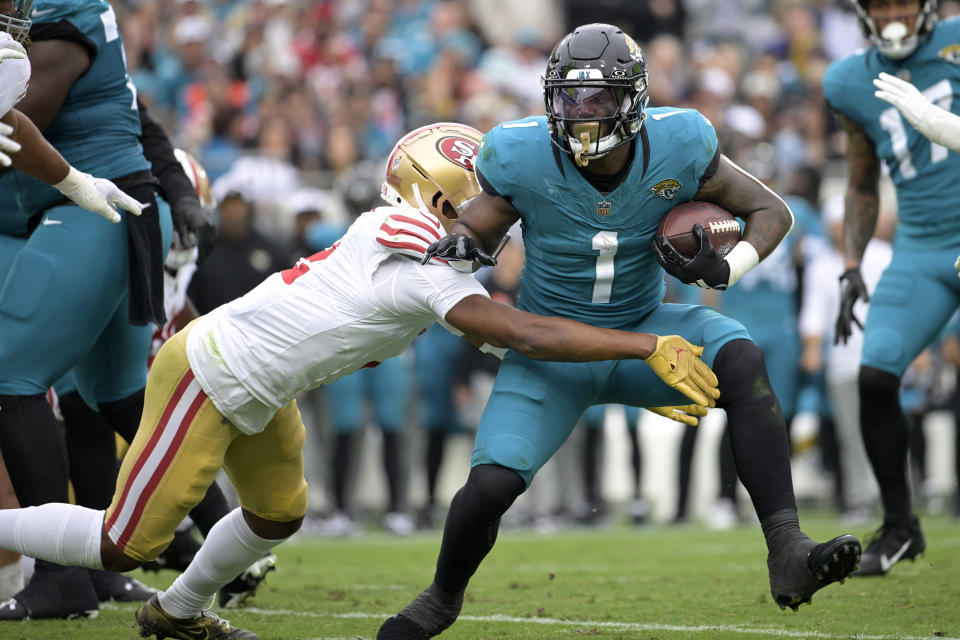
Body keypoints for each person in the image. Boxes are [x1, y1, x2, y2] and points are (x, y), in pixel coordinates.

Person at [0, 121, 721, 640]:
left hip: (263, 386)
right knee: (128, 541)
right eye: (489, 201)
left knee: (277, 515)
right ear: (441, 198)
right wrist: (644, 344)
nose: (503, 218)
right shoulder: (405, 235)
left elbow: (510, 335)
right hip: (210, 371)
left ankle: (175, 613)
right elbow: (515, 330)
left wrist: (620, 364)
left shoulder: (433, 258)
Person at [377, 25, 862, 640]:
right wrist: (464, 243)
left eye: (597, 101)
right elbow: (482, 224)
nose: (580, 116)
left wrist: (728, 266)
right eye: (568, 101)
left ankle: (788, 550)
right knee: (490, 485)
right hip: (551, 347)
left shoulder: (682, 141)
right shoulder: (517, 152)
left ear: (631, 100)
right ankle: (442, 599)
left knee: (742, 358)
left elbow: (773, 210)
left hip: (647, 329)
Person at [822, 0, 958, 576]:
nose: (894, 14)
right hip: (922, 246)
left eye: (904, 1)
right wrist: (852, 262)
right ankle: (901, 524)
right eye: (882, 4)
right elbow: (860, 177)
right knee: (875, 374)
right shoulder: (848, 79)